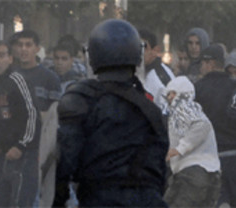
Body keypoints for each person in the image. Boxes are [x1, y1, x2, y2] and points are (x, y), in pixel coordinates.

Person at [53, 19, 169, 207]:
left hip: (101, 200)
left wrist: (58, 199)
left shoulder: (82, 100)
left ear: (93, 55)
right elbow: (160, 169)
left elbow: (65, 160)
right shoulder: (150, 109)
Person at [0, 41, 41, 207]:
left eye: (1, 55)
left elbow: (32, 114)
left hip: (25, 154)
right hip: (5, 152)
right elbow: (10, 113)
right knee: (3, 203)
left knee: (21, 202)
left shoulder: (17, 80)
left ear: (10, 59)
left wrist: (21, 146)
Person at [164, 76, 221, 207]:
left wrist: (180, 149)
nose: (169, 97)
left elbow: (202, 125)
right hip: (206, 174)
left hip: (192, 173)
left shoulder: (183, 106)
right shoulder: (193, 108)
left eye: (172, 93)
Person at [195, 44, 236, 207]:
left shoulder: (197, 89)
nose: (200, 68)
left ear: (210, 63)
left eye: (202, 63)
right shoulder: (233, 88)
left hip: (209, 160)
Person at [16, 30, 61, 119]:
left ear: (37, 49)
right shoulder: (10, 76)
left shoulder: (50, 78)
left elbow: (55, 113)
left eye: (28, 45)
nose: (23, 49)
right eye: (20, 45)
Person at [138, 28, 175, 111]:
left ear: (155, 51)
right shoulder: (136, 72)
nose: (140, 52)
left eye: (144, 47)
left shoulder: (161, 77)